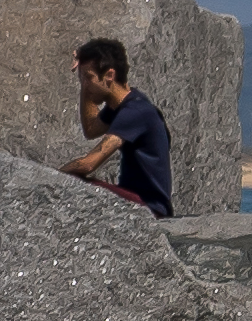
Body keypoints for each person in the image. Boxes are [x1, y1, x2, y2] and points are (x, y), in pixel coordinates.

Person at [63, 37, 175, 217]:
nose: (84, 84)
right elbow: (91, 129)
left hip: (150, 208)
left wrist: (48, 177)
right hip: (136, 200)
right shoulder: (123, 106)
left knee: (73, 181)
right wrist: (85, 84)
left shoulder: (135, 112)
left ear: (109, 76)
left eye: (89, 78)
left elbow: (88, 164)